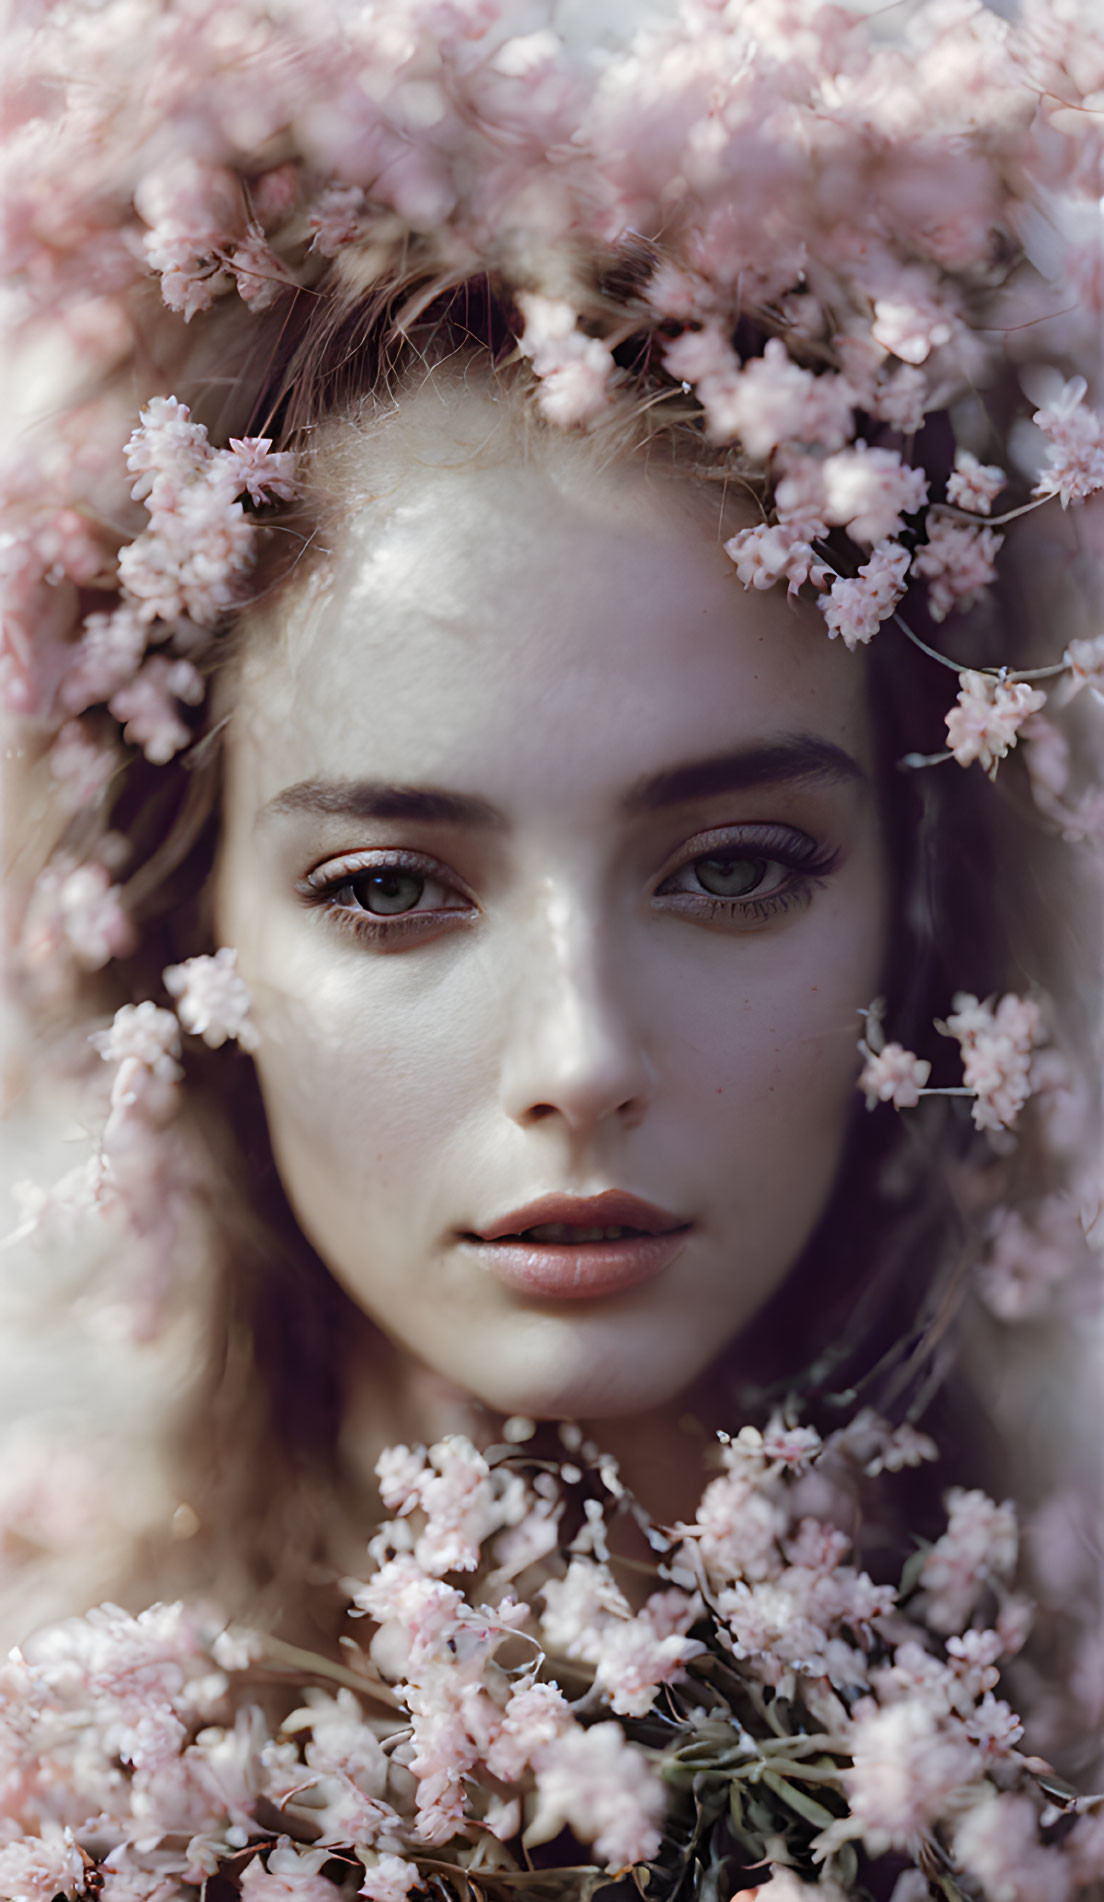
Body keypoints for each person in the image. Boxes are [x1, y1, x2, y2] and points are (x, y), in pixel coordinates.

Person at [2, 3, 1103, 1898]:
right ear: (191, 948)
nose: (582, 1053)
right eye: (389, 886)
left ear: (916, 911)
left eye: (734, 867)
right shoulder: (61, 1789)